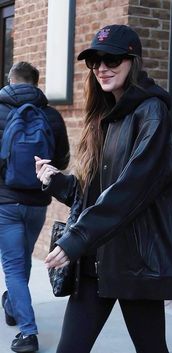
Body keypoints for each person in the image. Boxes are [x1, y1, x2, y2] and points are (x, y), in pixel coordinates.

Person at [36, 25, 172, 353]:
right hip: (95, 259)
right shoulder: (104, 116)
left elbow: (132, 188)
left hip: (135, 262)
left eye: (113, 59)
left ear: (133, 61)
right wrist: (56, 180)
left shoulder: (152, 113)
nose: (102, 67)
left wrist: (76, 238)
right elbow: (93, 191)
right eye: (95, 61)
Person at [0, 61, 70, 353]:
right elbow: (63, 161)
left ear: (10, 80)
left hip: (5, 203)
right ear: (36, 82)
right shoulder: (51, 115)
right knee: (23, 259)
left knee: (14, 268)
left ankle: (28, 333)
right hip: (38, 202)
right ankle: (13, 304)